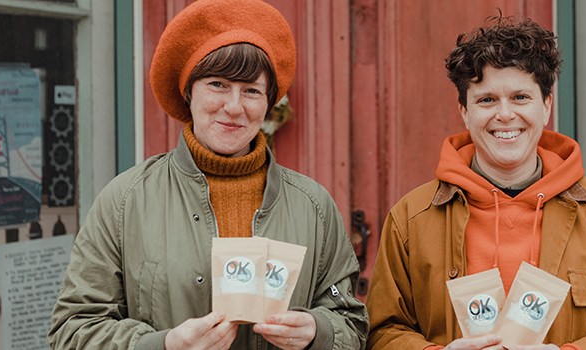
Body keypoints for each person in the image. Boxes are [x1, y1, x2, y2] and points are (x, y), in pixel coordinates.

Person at [48, 1, 367, 349]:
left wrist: (318, 332)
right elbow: (73, 330)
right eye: (217, 84)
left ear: (268, 102)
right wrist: (164, 345)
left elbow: (351, 321)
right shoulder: (126, 201)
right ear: (188, 93)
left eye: (251, 90)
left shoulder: (313, 206)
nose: (234, 106)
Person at [365, 15, 586, 350]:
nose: (505, 115)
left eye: (521, 97)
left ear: (546, 105)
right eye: (487, 100)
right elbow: (383, 330)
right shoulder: (411, 219)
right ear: (464, 111)